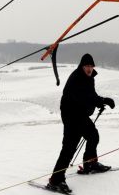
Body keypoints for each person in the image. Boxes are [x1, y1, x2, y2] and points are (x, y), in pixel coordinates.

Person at [48, 53, 115, 194]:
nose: (89, 69)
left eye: (91, 66)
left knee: (93, 135)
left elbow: (91, 95)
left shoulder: (88, 78)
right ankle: (56, 180)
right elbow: (84, 97)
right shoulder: (77, 78)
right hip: (71, 115)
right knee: (69, 147)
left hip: (80, 114)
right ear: (82, 66)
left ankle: (90, 163)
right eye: (87, 66)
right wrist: (101, 101)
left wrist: (100, 102)